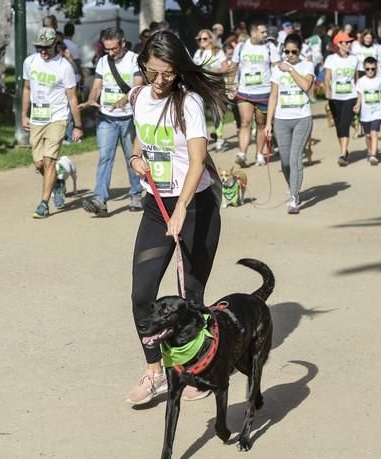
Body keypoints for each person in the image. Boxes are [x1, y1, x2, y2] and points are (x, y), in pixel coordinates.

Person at [125, 30, 226, 405]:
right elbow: (142, 140)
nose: (161, 80)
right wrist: (136, 158)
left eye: (168, 73)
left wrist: (182, 206)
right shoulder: (139, 97)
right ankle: (155, 372)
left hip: (196, 208)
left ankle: (197, 369)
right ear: (145, 66)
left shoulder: (189, 103)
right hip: (156, 208)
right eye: (154, 72)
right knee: (141, 294)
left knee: (191, 299)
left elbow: (198, 161)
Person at [78, 27, 142, 216]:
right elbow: (97, 85)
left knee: (132, 157)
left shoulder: (133, 59)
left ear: (123, 43)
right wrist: (91, 99)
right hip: (106, 117)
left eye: (114, 49)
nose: (110, 53)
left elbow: (138, 84)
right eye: (107, 49)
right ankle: (100, 199)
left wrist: (125, 98)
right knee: (105, 157)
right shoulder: (103, 61)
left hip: (129, 117)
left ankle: (136, 194)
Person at [22, 27, 83, 218]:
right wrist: (24, 114)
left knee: (49, 161)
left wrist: (78, 125)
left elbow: (73, 98)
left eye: (46, 47)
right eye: (39, 47)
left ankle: (43, 204)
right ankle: (57, 183)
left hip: (58, 117)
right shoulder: (30, 62)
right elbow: (26, 89)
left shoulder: (64, 66)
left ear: (55, 44)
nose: (43, 50)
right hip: (37, 118)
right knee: (39, 163)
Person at [264, 34, 314, 214]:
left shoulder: (307, 65)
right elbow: (273, 96)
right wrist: (268, 123)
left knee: (295, 158)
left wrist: (291, 69)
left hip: (302, 117)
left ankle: (294, 197)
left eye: (294, 51)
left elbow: (305, 86)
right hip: (281, 119)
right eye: (287, 51)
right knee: (285, 161)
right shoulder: (277, 70)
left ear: (300, 50)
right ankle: (292, 185)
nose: (290, 55)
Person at [230, 21, 281, 167]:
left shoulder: (269, 47)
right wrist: (229, 86)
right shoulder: (241, 47)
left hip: (264, 92)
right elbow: (233, 67)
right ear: (253, 33)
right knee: (245, 122)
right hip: (245, 91)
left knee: (261, 124)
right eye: (263, 32)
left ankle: (259, 153)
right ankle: (242, 153)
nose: (266, 35)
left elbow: (277, 67)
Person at [324, 31, 359, 167]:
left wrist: (358, 95)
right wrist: (327, 90)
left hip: (350, 96)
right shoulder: (331, 59)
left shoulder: (354, 59)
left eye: (350, 42)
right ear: (338, 44)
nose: (349, 44)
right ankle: (344, 149)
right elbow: (327, 77)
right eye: (347, 42)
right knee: (339, 124)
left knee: (345, 123)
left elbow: (356, 78)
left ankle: (343, 154)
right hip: (335, 97)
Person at [193, 29, 229, 152]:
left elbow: (226, 68)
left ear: (211, 39)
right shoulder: (198, 53)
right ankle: (201, 141)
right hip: (200, 86)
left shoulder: (218, 52)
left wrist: (214, 71)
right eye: (199, 39)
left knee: (217, 111)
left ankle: (220, 139)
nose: (202, 41)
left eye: (205, 39)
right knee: (198, 113)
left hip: (215, 85)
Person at [354, 56, 381, 166]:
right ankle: (369, 150)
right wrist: (357, 105)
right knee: (367, 135)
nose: (370, 71)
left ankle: (374, 155)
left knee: (374, 133)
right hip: (365, 113)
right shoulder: (361, 81)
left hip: (377, 111)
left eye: (373, 69)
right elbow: (360, 95)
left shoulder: (380, 80)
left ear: (376, 68)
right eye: (367, 69)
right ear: (364, 69)